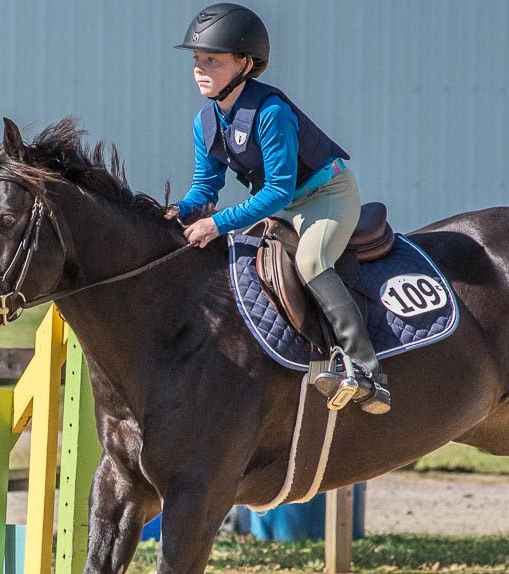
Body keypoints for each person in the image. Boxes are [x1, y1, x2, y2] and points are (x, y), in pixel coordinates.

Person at [160, 3, 389, 414]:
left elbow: (279, 191)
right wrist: (182, 209)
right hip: (283, 203)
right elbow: (206, 188)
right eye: (197, 59)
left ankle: (366, 370)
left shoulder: (270, 112)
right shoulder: (205, 122)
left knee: (312, 260)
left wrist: (216, 223)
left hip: (325, 195)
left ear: (245, 64)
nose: (199, 68)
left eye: (212, 59)